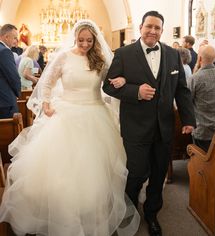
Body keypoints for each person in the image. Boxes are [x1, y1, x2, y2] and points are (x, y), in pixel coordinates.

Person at [0, 19, 140, 236]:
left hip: (95, 114)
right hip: (67, 114)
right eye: (81, 40)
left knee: (94, 168)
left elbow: (110, 82)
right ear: (75, 38)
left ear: (95, 40)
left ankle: (90, 210)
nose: (85, 44)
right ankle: (63, 211)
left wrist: (120, 80)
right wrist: (45, 102)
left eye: (89, 40)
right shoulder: (63, 57)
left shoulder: (100, 59)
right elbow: (48, 82)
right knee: (64, 168)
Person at [103, 11, 195, 236]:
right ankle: (130, 211)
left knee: (158, 172)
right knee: (136, 172)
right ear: (141, 28)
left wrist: (188, 119)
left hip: (164, 127)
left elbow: (181, 90)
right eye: (149, 26)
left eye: (157, 28)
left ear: (162, 30)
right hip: (135, 127)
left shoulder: (173, 55)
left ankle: (152, 213)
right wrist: (135, 91)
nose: (153, 31)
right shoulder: (124, 54)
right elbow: (108, 86)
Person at [188, 45, 215, 151]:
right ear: (214, 59)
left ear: (200, 58)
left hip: (202, 131)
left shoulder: (195, 78)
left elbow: (187, 102)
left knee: (201, 164)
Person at [0, 24, 21, 118]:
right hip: (5, 101)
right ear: (6, 37)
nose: (15, 41)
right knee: (10, 132)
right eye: (14, 37)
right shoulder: (5, 51)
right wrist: (18, 93)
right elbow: (13, 77)